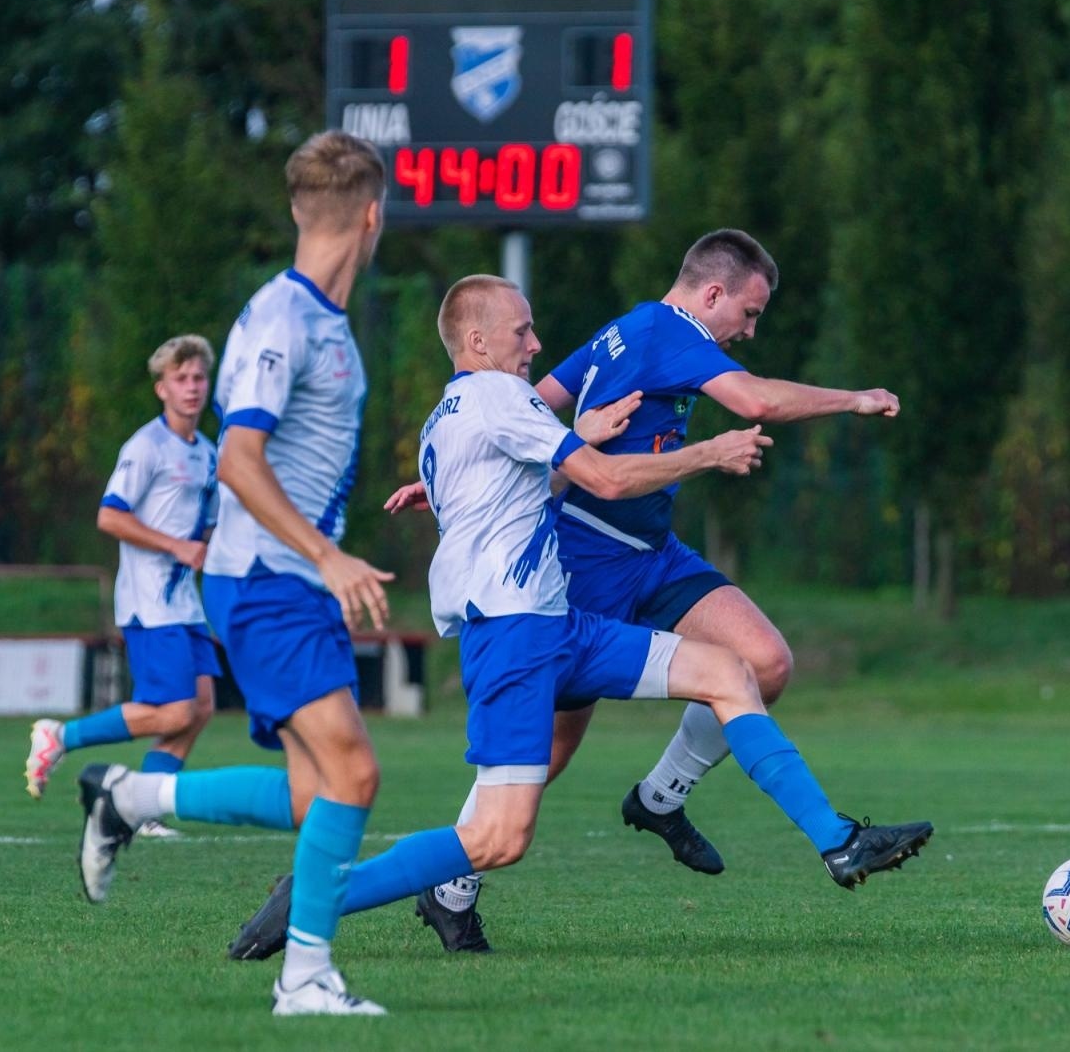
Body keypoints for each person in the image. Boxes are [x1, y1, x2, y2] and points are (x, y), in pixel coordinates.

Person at [221, 275, 932, 962]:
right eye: (521, 330)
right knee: (500, 837)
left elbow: (540, 464)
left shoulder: (464, 410)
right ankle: (318, 891)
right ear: (476, 339)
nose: (535, 344)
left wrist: (577, 430)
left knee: (732, 672)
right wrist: (712, 451)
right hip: (512, 637)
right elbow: (609, 478)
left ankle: (837, 840)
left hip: (560, 624)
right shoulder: (498, 396)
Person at [391, 230, 904, 950]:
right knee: (547, 749)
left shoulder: (625, 330)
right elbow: (755, 400)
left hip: (655, 553)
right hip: (585, 562)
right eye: (750, 314)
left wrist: (454, 466)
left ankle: (660, 799)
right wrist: (854, 398)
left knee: (764, 661)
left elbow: (528, 401)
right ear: (714, 293)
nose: (749, 331)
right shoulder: (672, 330)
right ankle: (449, 887)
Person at [70, 130, 395, 1017]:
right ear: (373, 216)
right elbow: (240, 459)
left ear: (299, 210)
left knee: (311, 792)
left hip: (290, 584)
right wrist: (328, 555)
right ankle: (304, 978)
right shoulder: (280, 319)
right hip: (268, 584)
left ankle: (131, 794)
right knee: (354, 777)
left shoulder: (323, 324)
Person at [23, 334, 219, 838]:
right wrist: (176, 548)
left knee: (200, 707)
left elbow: (207, 529)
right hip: (150, 600)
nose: (192, 387)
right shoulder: (147, 445)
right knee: (174, 710)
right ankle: (61, 735)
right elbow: (110, 515)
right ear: (162, 389)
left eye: (199, 377)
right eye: (181, 379)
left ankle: (140, 807)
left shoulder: (208, 453)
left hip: (185, 601)